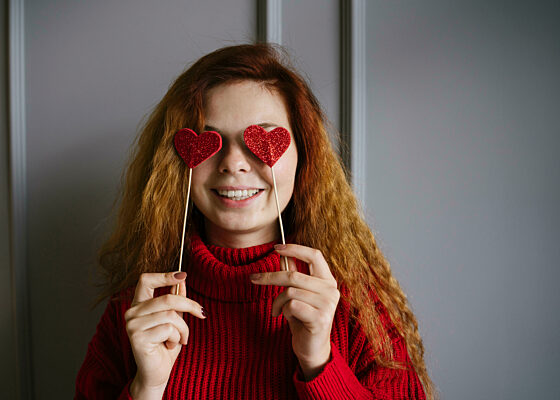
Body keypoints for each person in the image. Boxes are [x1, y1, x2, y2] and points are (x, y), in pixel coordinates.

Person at [74, 43, 435, 400]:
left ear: (304, 157)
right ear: (179, 161)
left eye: (259, 140)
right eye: (210, 139)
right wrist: (145, 390)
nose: (233, 163)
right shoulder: (138, 306)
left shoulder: (358, 304)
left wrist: (319, 362)